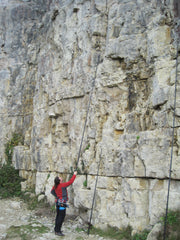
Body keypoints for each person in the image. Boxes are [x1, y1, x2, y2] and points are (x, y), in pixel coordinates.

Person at [51, 171, 77, 236]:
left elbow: (52, 191)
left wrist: (57, 197)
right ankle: (58, 231)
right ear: (59, 181)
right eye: (59, 178)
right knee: (61, 216)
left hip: (58, 202)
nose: (61, 177)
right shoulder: (62, 185)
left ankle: (56, 229)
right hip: (62, 203)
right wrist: (74, 175)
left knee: (58, 216)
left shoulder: (55, 186)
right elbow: (70, 182)